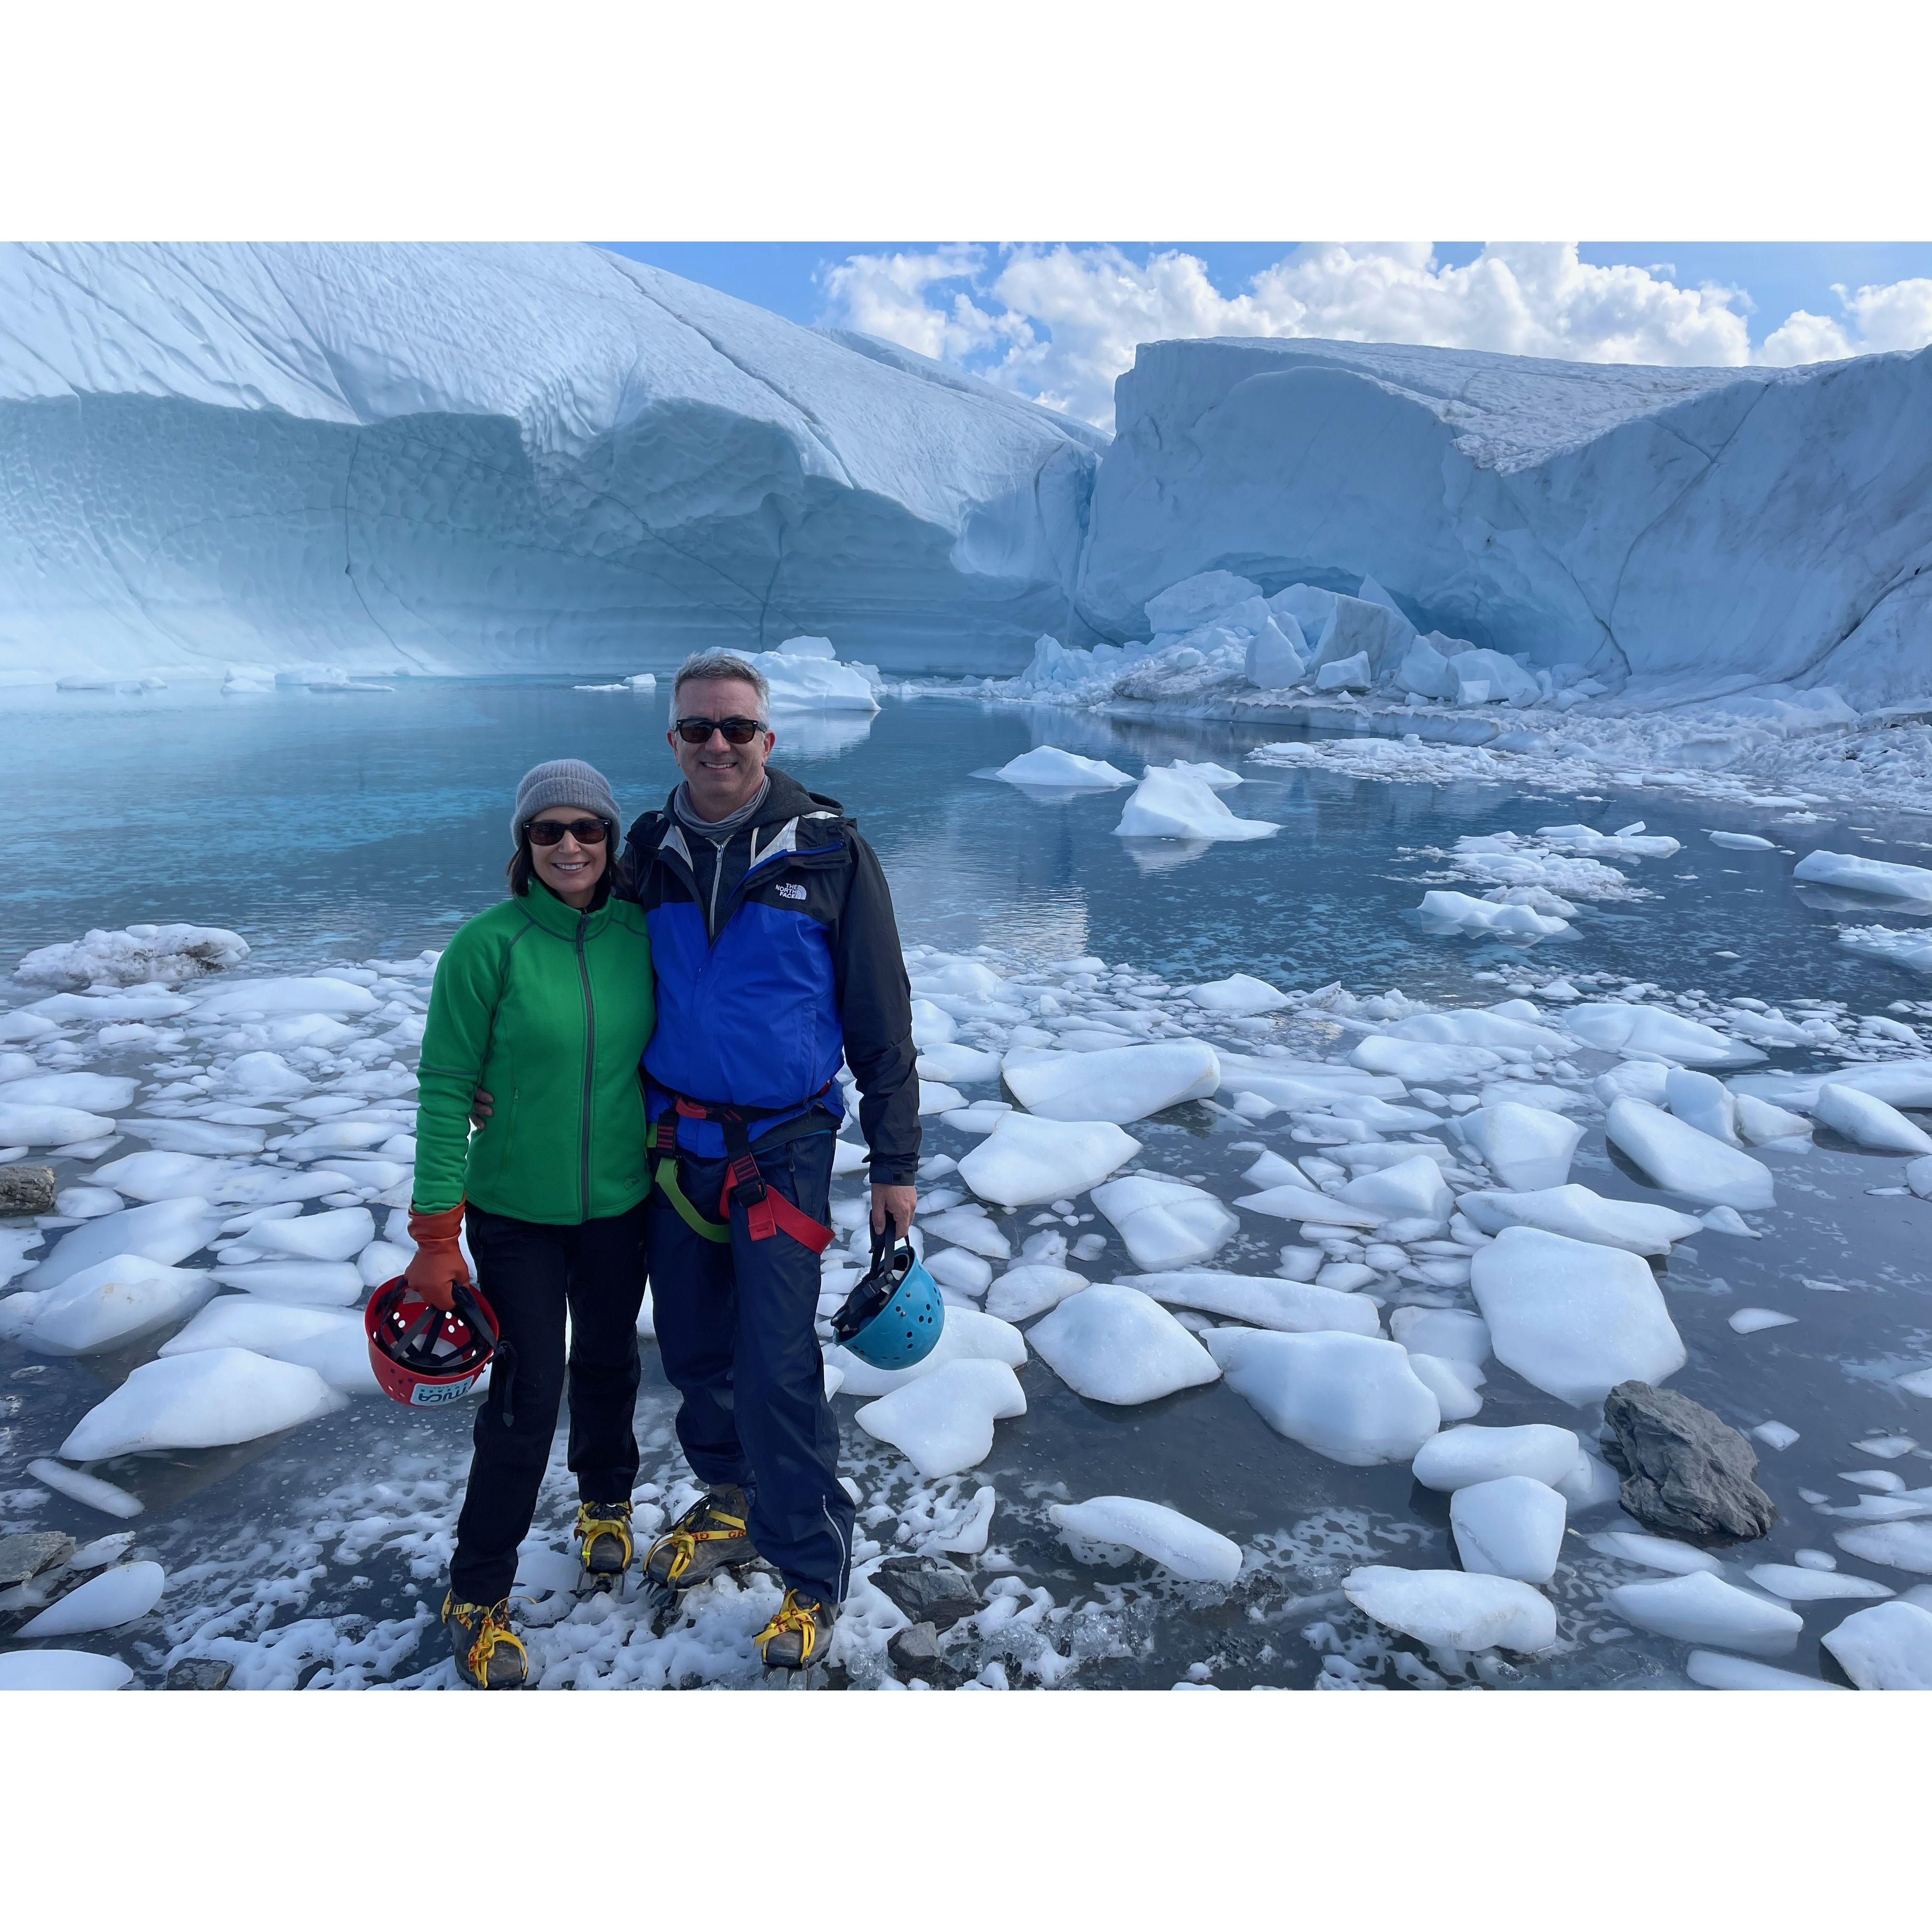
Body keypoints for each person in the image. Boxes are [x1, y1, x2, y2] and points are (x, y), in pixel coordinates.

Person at [621, 651, 919, 1673]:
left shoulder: (828, 853)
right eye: (698, 728)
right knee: (698, 1350)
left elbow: (881, 1016)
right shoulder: (645, 850)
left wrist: (896, 1158)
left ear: (768, 740)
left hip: (783, 1149)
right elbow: (593, 988)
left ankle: (810, 1572)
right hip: (673, 1143)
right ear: (672, 740)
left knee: (778, 1365)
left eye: (735, 729)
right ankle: (734, 1499)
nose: (716, 745)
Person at [408, 759, 656, 1689]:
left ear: (609, 840)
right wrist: (437, 1234)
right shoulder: (488, 946)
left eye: (586, 829)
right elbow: (443, 1088)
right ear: (524, 846)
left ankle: (606, 1502)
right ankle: (477, 1593)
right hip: (513, 1212)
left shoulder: (644, 936)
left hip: (622, 1202)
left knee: (609, 1359)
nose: (568, 846)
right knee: (525, 1398)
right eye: (547, 831)